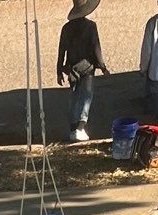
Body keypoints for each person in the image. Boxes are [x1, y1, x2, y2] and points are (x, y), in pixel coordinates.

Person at [57, 0, 109, 142]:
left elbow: (62, 50)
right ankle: (80, 127)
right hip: (87, 66)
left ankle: (73, 128)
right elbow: (96, 48)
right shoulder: (91, 27)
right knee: (86, 96)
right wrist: (102, 66)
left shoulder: (66, 28)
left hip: (71, 68)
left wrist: (59, 70)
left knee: (74, 96)